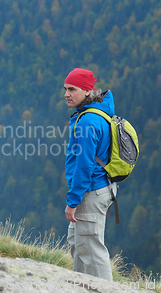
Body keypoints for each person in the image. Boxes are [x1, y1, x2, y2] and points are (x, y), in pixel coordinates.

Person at [63, 68, 117, 281]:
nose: (66, 94)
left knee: (92, 251)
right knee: (79, 244)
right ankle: (80, 286)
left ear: (87, 91)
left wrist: (73, 200)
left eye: (72, 89)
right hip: (100, 188)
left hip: (91, 192)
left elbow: (84, 166)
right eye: (65, 89)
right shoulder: (98, 113)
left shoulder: (87, 121)